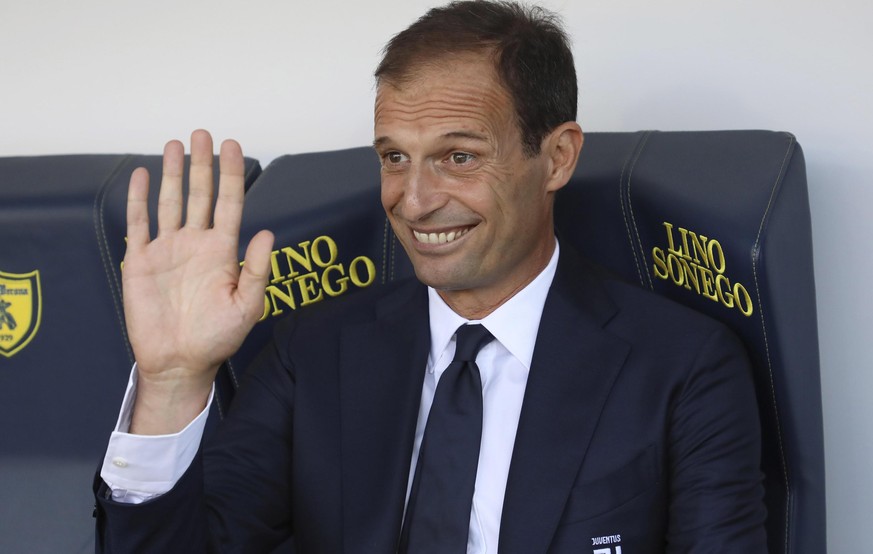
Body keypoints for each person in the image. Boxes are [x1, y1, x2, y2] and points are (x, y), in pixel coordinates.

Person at [94, 1, 767, 552]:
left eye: (458, 157)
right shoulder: (311, 353)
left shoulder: (683, 367)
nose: (412, 200)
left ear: (556, 157)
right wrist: (173, 384)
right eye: (394, 157)